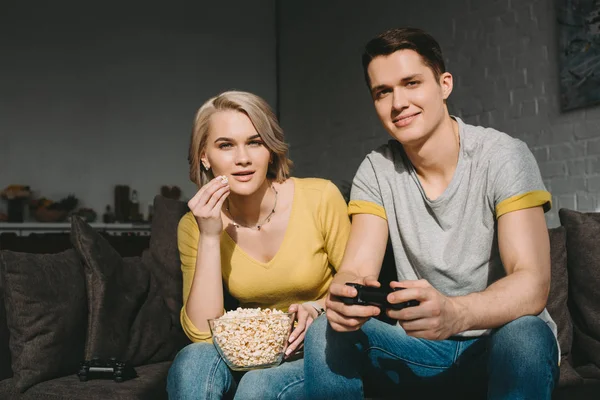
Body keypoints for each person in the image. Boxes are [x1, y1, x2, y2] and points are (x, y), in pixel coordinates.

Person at [304, 27, 559, 399]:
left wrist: (456, 312)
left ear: (444, 84)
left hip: (497, 344)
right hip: (420, 350)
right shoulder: (376, 169)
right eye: (383, 92)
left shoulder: (503, 156)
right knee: (325, 330)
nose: (398, 103)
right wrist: (344, 297)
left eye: (411, 83)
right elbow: (357, 268)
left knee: (525, 335)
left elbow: (532, 283)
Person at [166, 90, 351, 399]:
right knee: (192, 360)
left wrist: (317, 309)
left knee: (257, 387)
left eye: (255, 142)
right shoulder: (194, 225)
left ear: (271, 150)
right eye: (226, 145)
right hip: (248, 356)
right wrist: (210, 235)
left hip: (319, 350)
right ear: (204, 156)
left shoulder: (321, 198)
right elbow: (201, 333)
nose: (243, 159)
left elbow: (359, 284)